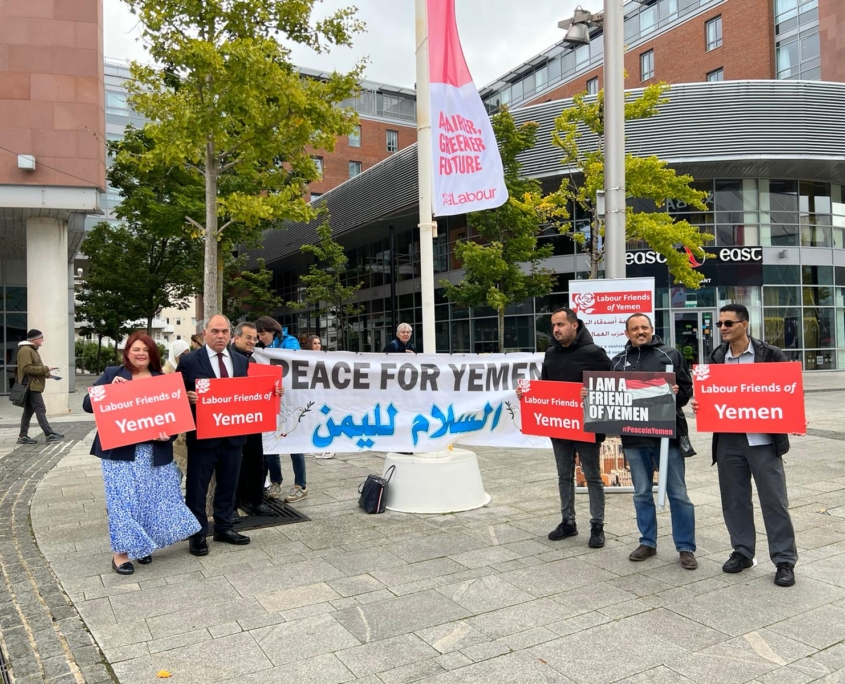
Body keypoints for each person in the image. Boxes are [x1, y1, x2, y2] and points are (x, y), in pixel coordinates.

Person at [692, 303, 798, 587]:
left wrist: (793, 413)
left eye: (728, 323)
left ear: (744, 324)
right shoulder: (715, 358)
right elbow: (711, 395)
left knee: (774, 501)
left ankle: (784, 560)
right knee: (734, 500)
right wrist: (700, 404)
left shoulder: (771, 354)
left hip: (762, 439)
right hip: (728, 440)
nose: (723, 328)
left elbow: (787, 390)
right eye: (720, 324)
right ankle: (742, 552)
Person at [83, 332, 200, 575]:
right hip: (119, 452)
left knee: (149, 501)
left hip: (153, 451)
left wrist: (168, 434)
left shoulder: (163, 379)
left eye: (145, 350)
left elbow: (175, 418)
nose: (140, 353)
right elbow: (87, 404)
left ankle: (142, 546)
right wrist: (107, 390)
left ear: (152, 354)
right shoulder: (113, 374)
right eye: (135, 349)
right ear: (127, 352)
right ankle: (121, 555)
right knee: (122, 502)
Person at [610, 313, 697, 570]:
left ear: (651, 329)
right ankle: (647, 542)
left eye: (644, 327)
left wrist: (678, 393)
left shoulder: (670, 354)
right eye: (635, 328)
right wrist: (590, 394)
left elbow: (686, 389)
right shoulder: (617, 363)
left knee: (678, 494)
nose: (640, 331)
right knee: (641, 493)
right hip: (633, 438)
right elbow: (611, 398)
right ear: (627, 333)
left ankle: (685, 547)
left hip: (666, 437)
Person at [517, 308, 611, 547]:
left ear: (574, 325)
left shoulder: (595, 353)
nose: (556, 330)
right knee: (563, 476)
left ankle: (597, 526)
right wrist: (527, 394)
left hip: (586, 426)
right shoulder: (551, 353)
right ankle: (568, 521)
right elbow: (545, 388)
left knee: (592, 476)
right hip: (559, 426)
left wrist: (593, 390)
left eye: (560, 325)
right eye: (554, 326)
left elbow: (612, 385)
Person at [178, 314, 251, 555]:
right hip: (203, 438)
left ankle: (224, 528)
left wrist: (273, 391)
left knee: (229, 484)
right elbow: (174, 395)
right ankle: (197, 534)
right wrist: (187, 398)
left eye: (225, 332)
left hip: (233, 436)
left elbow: (250, 394)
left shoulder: (241, 362)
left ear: (231, 335)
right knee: (197, 488)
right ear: (205, 333)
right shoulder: (189, 362)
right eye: (215, 331)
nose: (220, 335)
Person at [254, 316, 309, 501]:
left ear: (272, 331)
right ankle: (276, 482)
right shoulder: (262, 348)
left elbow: (297, 367)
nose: (261, 338)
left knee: (294, 444)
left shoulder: (290, 342)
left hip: (290, 402)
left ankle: (300, 485)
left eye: (262, 334)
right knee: (271, 443)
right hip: (271, 400)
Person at [230, 322, 273, 516]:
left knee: (257, 462)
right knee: (233, 465)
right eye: (248, 337)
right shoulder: (227, 359)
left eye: (254, 338)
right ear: (236, 337)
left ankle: (256, 501)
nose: (252, 341)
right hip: (232, 420)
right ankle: (232, 505)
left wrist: (274, 391)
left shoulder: (254, 361)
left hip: (253, 419)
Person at [16, 329, 63, 445]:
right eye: (41, 337)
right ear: (34, 339)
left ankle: (23, 436)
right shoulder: (26, 350)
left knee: (29, 411)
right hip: (31, 385)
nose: (42, 339)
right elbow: (26, 368)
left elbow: (35, 367)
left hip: (33, 384)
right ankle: (49, 434)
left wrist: (48, 374)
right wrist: (46, 369)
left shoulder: (32, 350)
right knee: (40, 408)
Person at [162, 339, 191, 478]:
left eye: (187, 354)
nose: (185, 357)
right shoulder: (165, 373)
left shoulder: (186, 371)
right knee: (174, 466)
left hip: (185, 426)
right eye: (182, 354)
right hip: (172, 427)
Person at [303, 334, 334, 458]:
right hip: (311, 392)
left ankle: (324, 446)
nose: (317, 346)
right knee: (311, 417)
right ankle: (312, 446)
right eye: (315, 343)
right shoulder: (305, 358)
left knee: (323, 416)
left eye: (319, 343)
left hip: (323, 392)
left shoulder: (325, 357)